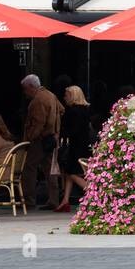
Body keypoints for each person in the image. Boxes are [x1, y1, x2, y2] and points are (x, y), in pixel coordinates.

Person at [21, 73, 64, 210]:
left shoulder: (38, 100)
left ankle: (29, 200)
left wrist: (30, 137)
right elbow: (61, 110)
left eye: (25, 89)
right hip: (51, 138)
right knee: (50, 169)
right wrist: (56, 129)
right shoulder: (51, 95)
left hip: (40, 139)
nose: (25, 92)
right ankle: (53, 200)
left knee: (29, 168)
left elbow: (39, 122)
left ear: (31, 87)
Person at [54, 85, 94, 213]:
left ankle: (92, 191)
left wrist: (61, 134)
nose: (64, 97)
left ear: (72, 96)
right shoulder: (85, 109)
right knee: (69, 173)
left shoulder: (73, 111)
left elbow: (72, 130)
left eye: (66, 95)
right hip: (83, 144)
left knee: (72, 172)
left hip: (75, 146)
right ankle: (65, 201)